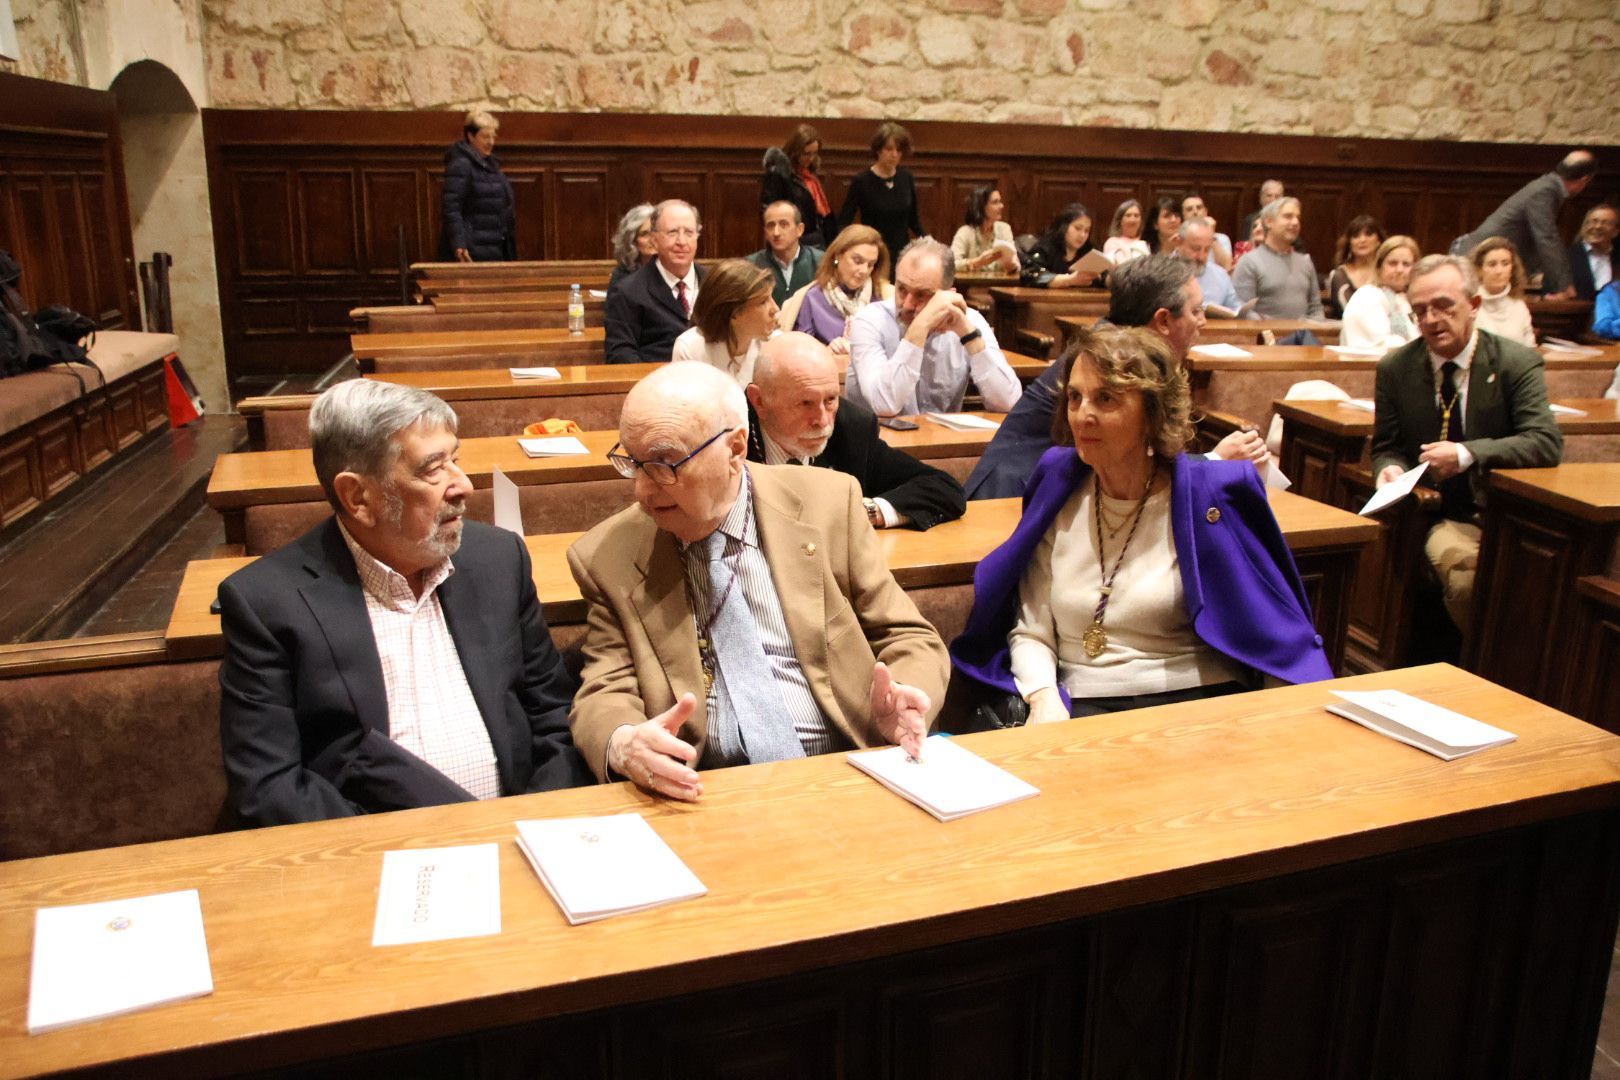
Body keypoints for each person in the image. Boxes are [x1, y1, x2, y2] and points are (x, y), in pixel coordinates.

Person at [566, 362, 950, 799]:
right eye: (633, 463)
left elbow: (909, 634)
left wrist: (905, 693)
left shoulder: (829, 503)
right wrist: (624, 742)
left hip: (848, 770)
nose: (643, 489)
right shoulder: (608, 556)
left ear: (734, 448)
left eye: (665, 463)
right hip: (703, 793)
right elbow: (604, 689)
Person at [217, 381, 591, 826]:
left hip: (525, 833)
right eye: (433, 469)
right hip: (379, 858)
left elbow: (552, 713)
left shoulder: (498, 562)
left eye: (456, 459)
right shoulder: (268, 603)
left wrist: (537, 820)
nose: (463, 485)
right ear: (358, 497)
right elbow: (270, 787)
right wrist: (414, 839)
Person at [950, 327, 1332, 724]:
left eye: (1106, 399)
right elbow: (1032, 631)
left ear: (1153, 414)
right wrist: (1043, 698)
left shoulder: (1212, 494)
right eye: (1075, 398)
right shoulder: (1059, 485)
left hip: (1204, 704)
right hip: (1086, 704)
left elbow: (1270, 629)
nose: (1083, 414)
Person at [965, 254, 1270, 500]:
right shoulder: (1111, 364)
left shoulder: (1120, 346)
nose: (1203, 322)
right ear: (1163, 320)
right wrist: (1214, 461)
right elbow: (1131, 465)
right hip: (1013, 501)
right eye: (1197, 311)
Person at [1372, 255, 1563, 633]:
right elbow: (1386, 446)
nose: (1430, 320)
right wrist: (1388, 469)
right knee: (1469, 584)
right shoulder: (1396, 368)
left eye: (1443, 306)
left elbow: (1545, 442)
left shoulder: (1515, 363)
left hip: (1510, 513)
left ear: (1473, 306)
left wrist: (1468, 453)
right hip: (1440, 512)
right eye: (1420, 311)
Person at [746, 332, 965, 531]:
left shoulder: (851, 429)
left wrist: (869, 512)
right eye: (805, 403)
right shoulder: (728, 435)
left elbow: (944, 488)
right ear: (759, 401)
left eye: (831, 399)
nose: (822, 421)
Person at [847, 237, 1022, 416]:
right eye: (901, 289)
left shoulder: (970, 321)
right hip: (877, 441)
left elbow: (1009, 402)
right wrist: (921, 326)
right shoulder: (869, 321)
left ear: (949, 295)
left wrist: (969, 335)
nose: (907, 304)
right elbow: (884, 404)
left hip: (942, 441)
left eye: (922, 295)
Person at [1450, 150, 1598, 299]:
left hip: (1484, 266)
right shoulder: (1545, 191)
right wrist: (1564, 286)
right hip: (1476, 265)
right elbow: (1546, 238)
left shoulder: (1546, 186)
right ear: (1585, 180)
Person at [603, 199, 708, 364]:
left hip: (713, 383)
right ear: (654, 239)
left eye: (689, 232)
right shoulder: (628, 291)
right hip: (657, 383)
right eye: (672, 232)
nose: (682, 241)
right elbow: (620, 354)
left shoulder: (715, 283)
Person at [783, 224, 893, 356]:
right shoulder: (812, 298)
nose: (864, 271)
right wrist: (827, 352)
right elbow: (801, 355)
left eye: (870, 264)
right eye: (857, 261)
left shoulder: (884, 296)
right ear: (837, 255)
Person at [670, 259, 779, 385]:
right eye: (763, 302)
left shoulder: (777, 345)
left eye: (772, 297)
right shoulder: (689, 348)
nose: (775, 309)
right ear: (734, 313)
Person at [838, 122, 924, 267]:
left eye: (899, 150)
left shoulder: (906, 178)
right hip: (873, 254)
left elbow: (914, 221)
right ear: (878, 150)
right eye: (889, 149)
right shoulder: (862, 181)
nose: (894, 154)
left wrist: (930, 243)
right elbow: (844, 221)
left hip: (902, 254)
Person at [438, 107, 515, 263]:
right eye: (485, 137)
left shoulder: (491, 166)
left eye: (493, 137)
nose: (491, 142)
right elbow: (452, 208)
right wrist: (459, 244)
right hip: (472, 251)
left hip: (493, 247)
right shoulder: (461, 165)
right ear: (470, 136)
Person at [1233, 197, 1323, 320]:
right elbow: (1243, 310)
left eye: (1298, 217)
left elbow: (1316, 308)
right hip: (1265, 336)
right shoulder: (1249, 262)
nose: (1295, 222)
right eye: (1288, 216)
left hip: (1304, 336)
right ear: (1269, 221)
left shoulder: (1305, 262)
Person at [760, 123, 838, 248]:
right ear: (795, 151)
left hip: (815, 238)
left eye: (815, 153)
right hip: (794, 240)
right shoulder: (779, 175)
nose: (811, 158)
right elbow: (769, 211)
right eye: (806, 154)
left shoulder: (810, 176)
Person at [1340, 235, 1421, 350]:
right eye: (1393, 263)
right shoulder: (1367, 297)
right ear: (1379, 266)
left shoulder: (1412, 299)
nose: (1399, 270)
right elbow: (1379, 344)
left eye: (1406, 264)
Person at [746, 201, 823, 307]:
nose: (776, 232)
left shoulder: (821, 262)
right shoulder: (751, 265)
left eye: (784, 224)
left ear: (800, 230)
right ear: (765, 233)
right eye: (771, 226)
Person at [1471, 236, 1537, 347]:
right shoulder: (1470, 305)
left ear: (1512, 269)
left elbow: (1530, 351)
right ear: (1479, 270)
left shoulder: (1519, 307)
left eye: (1505, 263)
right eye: (1492, 264)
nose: (1499, 271)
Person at [1019, 203, 1102, 290]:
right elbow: (1030, 275)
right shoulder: (1045, 248)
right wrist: (1070, 280)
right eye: (1077, 228)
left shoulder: (1090, 250)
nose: (1082, 235)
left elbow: (1103, 277)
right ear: (1063, 227)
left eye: (1087, 231)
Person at [1324, 215, 1386, 318]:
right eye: (1356, 236)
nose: (1362, 240)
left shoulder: (1387, 272)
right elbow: (1348, 312)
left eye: (1368, 234)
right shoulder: (1339, 275)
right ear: (1350, 243)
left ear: (1378, 241)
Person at [1177, 216, 1240, 314]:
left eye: (1207, 250)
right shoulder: (1161, 273)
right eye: (1195, 249)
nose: (1201, 257)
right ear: (1179, 243)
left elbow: (1235, 311)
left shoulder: (1220, 275)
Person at [951, 186, 1019, 274]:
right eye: (995, 202)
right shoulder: (965, 232)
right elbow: (951, 265)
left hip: (1000, 286)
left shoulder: (1004, 229)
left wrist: (1012, 266)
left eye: (1000, 201)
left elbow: (1016, 263)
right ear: (981, 207)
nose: (1002, 206)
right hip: (971, 286)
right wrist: (977, 262)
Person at [1568, 203, 1618, 301]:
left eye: (1606, 223)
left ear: (1615, 231)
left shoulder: (1617, 258)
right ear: (1585, 226)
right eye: (1593, 222)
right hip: (1577, 313)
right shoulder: (1566, 257)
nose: (1598, 226)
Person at [608, 203, 656, 293]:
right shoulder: (622, 276)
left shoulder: (669, 269)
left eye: (655, 231)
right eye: (644, 234)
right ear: (632, 240)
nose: (652, 239)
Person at [1181, 192, 1232, 269]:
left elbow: (1226, 267)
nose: (1195, 212)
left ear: (1205, 212)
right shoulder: (1179, 239)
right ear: (1183, 215)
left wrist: (1212, 235)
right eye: (1189, 209)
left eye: (1199, 208)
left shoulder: (1222, 239)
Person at [1104, 199, 1149, 265]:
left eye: (1136, 216)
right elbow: (1121, 266)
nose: (1133, 220)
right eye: (1128, 215)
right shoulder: (1112, 242)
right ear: (1120, 220)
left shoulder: (1148, 241)